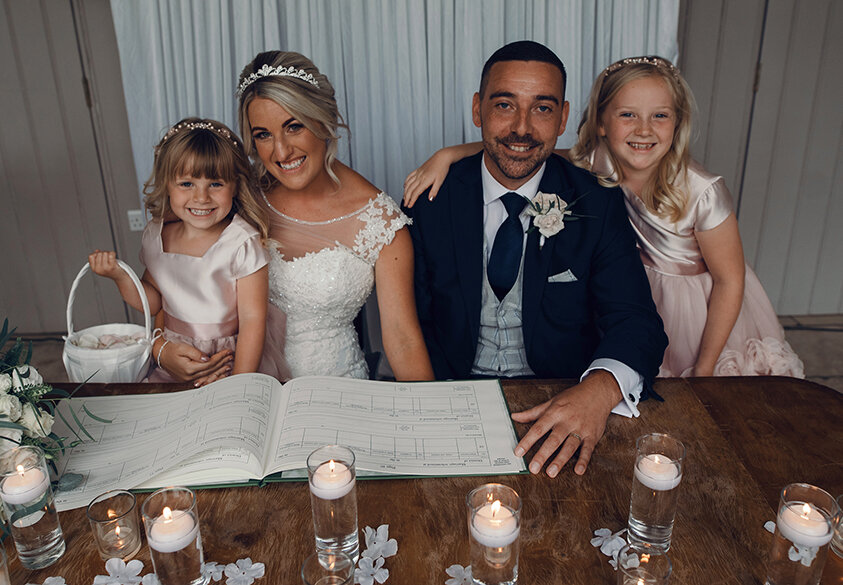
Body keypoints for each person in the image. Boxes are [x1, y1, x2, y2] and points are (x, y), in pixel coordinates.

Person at [405, 55, 804, 379]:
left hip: (697, 306)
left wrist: (703, 369)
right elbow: (523, 148)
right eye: (504, 104)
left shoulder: (695, 191)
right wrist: (448, 154)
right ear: (601, 123)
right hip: (460, 381)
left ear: (562, 119)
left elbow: (728, 279)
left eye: (660, 116)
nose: (643, 130)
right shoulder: (596, 164)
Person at [404, 41, 667, 477]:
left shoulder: (596, 203)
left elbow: (637, 321)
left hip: (564, 400)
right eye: (504, 105)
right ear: (478, 110)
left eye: (542, 109)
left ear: (563, 118)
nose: (521, 128)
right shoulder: (431, 201)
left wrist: (598, 391)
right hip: (449, 403)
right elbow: (413, 323)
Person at [235, 50, 434, 381]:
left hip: (338, 389)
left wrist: (433, 418)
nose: (280, 151)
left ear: (323, 119)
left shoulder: (380, 222)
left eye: (293, 126)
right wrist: (162, 350)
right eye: (263, 135)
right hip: (251, 387)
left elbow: (403, 341)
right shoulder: (243, 197)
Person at [89, 118, 270, 384]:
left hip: (227, 363)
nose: (201, 197)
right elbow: (152, 302)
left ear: (235, 185)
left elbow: (254, 321)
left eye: (216, 184)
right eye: (187, 184)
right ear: (167, 185)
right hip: (172, 357)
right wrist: (119, 275)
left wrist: (239, 384)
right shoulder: (157, 236)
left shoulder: (242, 242)